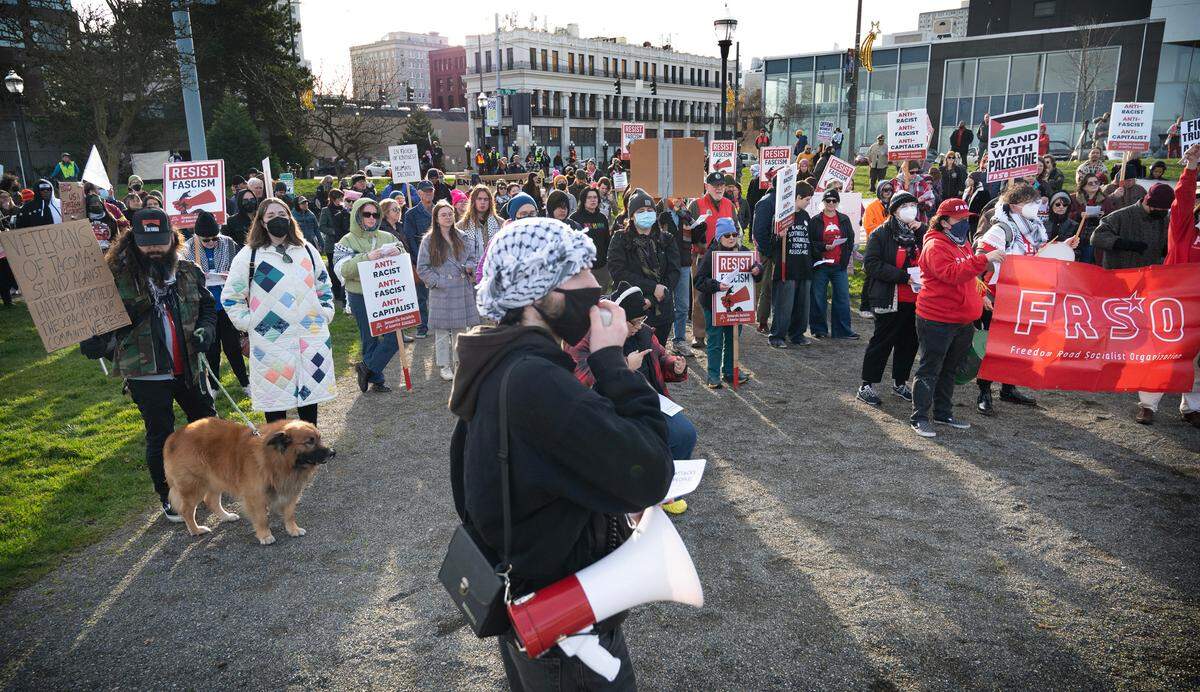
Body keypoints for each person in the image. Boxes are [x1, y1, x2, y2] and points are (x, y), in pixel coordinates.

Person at [451, 216, 672, 689]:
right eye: (575, 274)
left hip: (536, 603)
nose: (595, 286)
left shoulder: (497, 361)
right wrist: (612, 363)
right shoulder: (537, 381)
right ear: (535, 295)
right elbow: (651, 473)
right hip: (566, 619)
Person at [85, 208, 217, 521]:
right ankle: (170, 497)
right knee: (161, 434)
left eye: (161, 241)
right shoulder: (114, 278)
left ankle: (213, 485)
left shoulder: (188, 270)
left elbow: (208, 307)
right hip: (146, 371)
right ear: (132, 241)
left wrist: (206, 330)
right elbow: (100, 324)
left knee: (207, 425)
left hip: (190, 366)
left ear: (173, 239)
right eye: (147, 243)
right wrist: (93, 341)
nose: (155, 249)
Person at [564, 282, 692, 514]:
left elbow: (662, 359)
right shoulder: (586, 338)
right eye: (633, 322)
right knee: (635, 442)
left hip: (651, 400)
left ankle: (670, 491)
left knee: (684, 433)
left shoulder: (644, 334)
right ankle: (638, 494)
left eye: (641, 321)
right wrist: (624, 366)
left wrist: (676, 365)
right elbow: (580, 380)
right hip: (609, 407)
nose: (637, 327)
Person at [224, 198, 336, 422]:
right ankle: (277, 454)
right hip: (271, 340)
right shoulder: (250, 256)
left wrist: (325, 313)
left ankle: (308, 448)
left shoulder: (307, 251)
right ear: (262, 222)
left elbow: (324, 286)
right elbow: (231, 297)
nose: (278, 219)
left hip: (309, 334)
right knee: (275, 398)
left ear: (290, 218)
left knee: (309, 395)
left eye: (282, 214)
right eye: (271, 216)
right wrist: (250, 323)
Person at [974, 182, 1073, 414]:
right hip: (998, 296)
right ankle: (984, 391)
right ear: (1016, 205)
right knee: (992, 345)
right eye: (1031, 202)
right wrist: (983, 292)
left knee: (1016, 343)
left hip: (1023, 297)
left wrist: (1063, 246)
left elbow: (1036, 255)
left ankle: (1008, 388)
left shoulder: (1034, 226)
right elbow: (980, 259)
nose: (1037, 206)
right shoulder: (1002, 229)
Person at [910, 198, 999, 437]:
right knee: (930, 368)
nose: (964, 223)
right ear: (945, 222)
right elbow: (951, 274)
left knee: (950, 368)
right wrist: (984, 260)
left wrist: (980, 295)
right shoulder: (935, 246)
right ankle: (919, 417)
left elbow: (969, 276)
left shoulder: (961, 242)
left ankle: (942, 412)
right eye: (960, 220)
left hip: (962, 320)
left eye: (966, 219)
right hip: (937, 319)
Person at [1137, 143, 1200, 425]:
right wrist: (1191, 168)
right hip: (1176, 301)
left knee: (1197, 359)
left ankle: (1192, 407)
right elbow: (1184, 198)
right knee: (1163, 352)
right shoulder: (1186, 227)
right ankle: (1148, 404)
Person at [856, 190, 924, 406]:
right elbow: (872, 264)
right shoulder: (880, 234)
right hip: (889, 297)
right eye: (905, 206)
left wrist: (922, 231)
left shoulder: (920, 233)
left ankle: (900, 382)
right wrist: (903, 277)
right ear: (894, 210)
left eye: (913, 205)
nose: (910, 210)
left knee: (909, 343)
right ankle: (867, 385)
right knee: (882, 342)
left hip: (915, 300)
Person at [333, 196, 405, 393]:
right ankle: (377, 379)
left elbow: (402, 250)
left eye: (375, 214)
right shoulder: (346, 240)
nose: (372, 218)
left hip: (385, 293)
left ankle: (367, 368)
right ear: (357, 215)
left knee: (393, 338)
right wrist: (366, 258)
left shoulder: (387, 236)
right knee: (369, 338)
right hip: (360, 295)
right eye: (367, 214)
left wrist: (397, 252)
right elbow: (341, 269)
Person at [181, 209, 249, 388]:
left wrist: (232, 275)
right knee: (211, 350)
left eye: (214, 238)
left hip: (227, 305)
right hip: (205, 308)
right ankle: (214, 386)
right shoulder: (188, 248)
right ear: (198, 237)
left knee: (233, 348)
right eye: (206, 240)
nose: (211, 242)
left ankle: (245, 383)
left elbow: (243, 268)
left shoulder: (229, 244)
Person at [417, 200, 482, 382]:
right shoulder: (429, 240)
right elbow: (422, 268)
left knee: (461, 330)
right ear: (436, 219)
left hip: (461, 288)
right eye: (443, 214)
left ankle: (459, 362)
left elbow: (472, 257)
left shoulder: (462, 236)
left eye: (450, 214)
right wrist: (438, 282)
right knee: (442, 332)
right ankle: (444, 365)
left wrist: (469, 267)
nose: (448, 217)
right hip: (442, 291)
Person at [607, 189, 680, 346]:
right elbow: (618, 272)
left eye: (649, 210)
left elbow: (674, 273)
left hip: (662, 311)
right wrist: (652, 287)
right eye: (641, 211)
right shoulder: (620, 239)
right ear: (632, 215)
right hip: (633, 313)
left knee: (658, 357)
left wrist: (654, 298)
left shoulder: (666, 239)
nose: (646, 214)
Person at [695, 217, 761, 388]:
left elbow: (758, 271)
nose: (731, 238)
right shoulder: (711, 255)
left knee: (733, 339)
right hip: (712, 305)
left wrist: (757, 270)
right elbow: (699, 281)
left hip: (737, 307)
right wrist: (717, 285)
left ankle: (731, 372)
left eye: (734, 234)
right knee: (715, 340)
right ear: (718, 237)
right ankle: (713, 376)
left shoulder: (744, 252)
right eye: (726, 235)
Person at [764, 181, 816, 348]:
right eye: (807, 199)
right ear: (798, 197)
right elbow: (771, 245)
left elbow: (810, 241)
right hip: (787, 268)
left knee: (802, 306)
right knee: (784, 306)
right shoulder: (781, 216)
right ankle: (777, 335)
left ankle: (797, 334)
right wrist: (779, 235)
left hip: (804, 267)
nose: (808, 203)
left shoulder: (806, 216)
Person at [808, 189, 858, 340]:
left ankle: (842, 330)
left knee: (842, 297)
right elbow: (810, 242)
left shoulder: (843, 219)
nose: (831, 203)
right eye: (828, 200)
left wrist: (845, 258)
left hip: (838, 265)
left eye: (834, 201)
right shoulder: (815, 220)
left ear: (838, 203)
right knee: (818, 297)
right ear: (823, 202)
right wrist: (823, 247)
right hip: (821, 264)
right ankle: (819, 329)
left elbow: (850, 239)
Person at [1092, 182, 1171, 273]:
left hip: (1149, 273)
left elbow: (1166, 242)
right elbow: (1097, 237)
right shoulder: (1120, 216)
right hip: (1120, 273)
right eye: (1162, 209)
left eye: (1166, 209)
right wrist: (1124, 244)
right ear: (1151, 204)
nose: (1165, 211)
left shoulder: (1164, 219)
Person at [655, 196, 697, 356]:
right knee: (662, 303)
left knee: (682, 305)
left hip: (684, 264)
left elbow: (697, 235)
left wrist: (697, 224)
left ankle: (679, 340)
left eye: (681, 195)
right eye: (676, 194)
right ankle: (657, 342)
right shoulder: (659, 209)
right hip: (664, 266)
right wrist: (660, 221)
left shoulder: (685, 213)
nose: (679, 198)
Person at [402, 180, 437, 338]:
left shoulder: (440, 210)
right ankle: (422, 326)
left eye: (431, 190)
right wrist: (418, 260)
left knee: (441, 293)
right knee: (421, 296)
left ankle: (441, 323)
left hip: (441, 258)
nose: (429, 193)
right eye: (425, 191)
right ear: (419, 193)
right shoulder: (411, 214)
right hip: (420, 259)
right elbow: (409, 239)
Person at [570, 187, 612, 290]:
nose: (593, 200)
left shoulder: (602, 218)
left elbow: (607, 241)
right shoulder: (574, 218)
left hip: (602, 267)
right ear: (583, 200)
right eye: (589, 197)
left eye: (595, 197)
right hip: (583, 269)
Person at [318, 188, 350, 305]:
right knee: (333, 269)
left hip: (343, 243)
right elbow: (321, 226)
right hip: (332, 245)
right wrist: (332, 231)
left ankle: (344, 292)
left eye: (342, 198)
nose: (341, 201)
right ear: (332, 199)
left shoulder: (344, 210)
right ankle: (336, 293)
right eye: (339, 199)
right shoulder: (326, 210)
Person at [456, 184, 502, 250]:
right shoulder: (461, 226)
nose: (482, 202)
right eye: (479, 199)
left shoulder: (500, 223)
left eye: (486, 199)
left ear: (490, 202)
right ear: (473, 201)